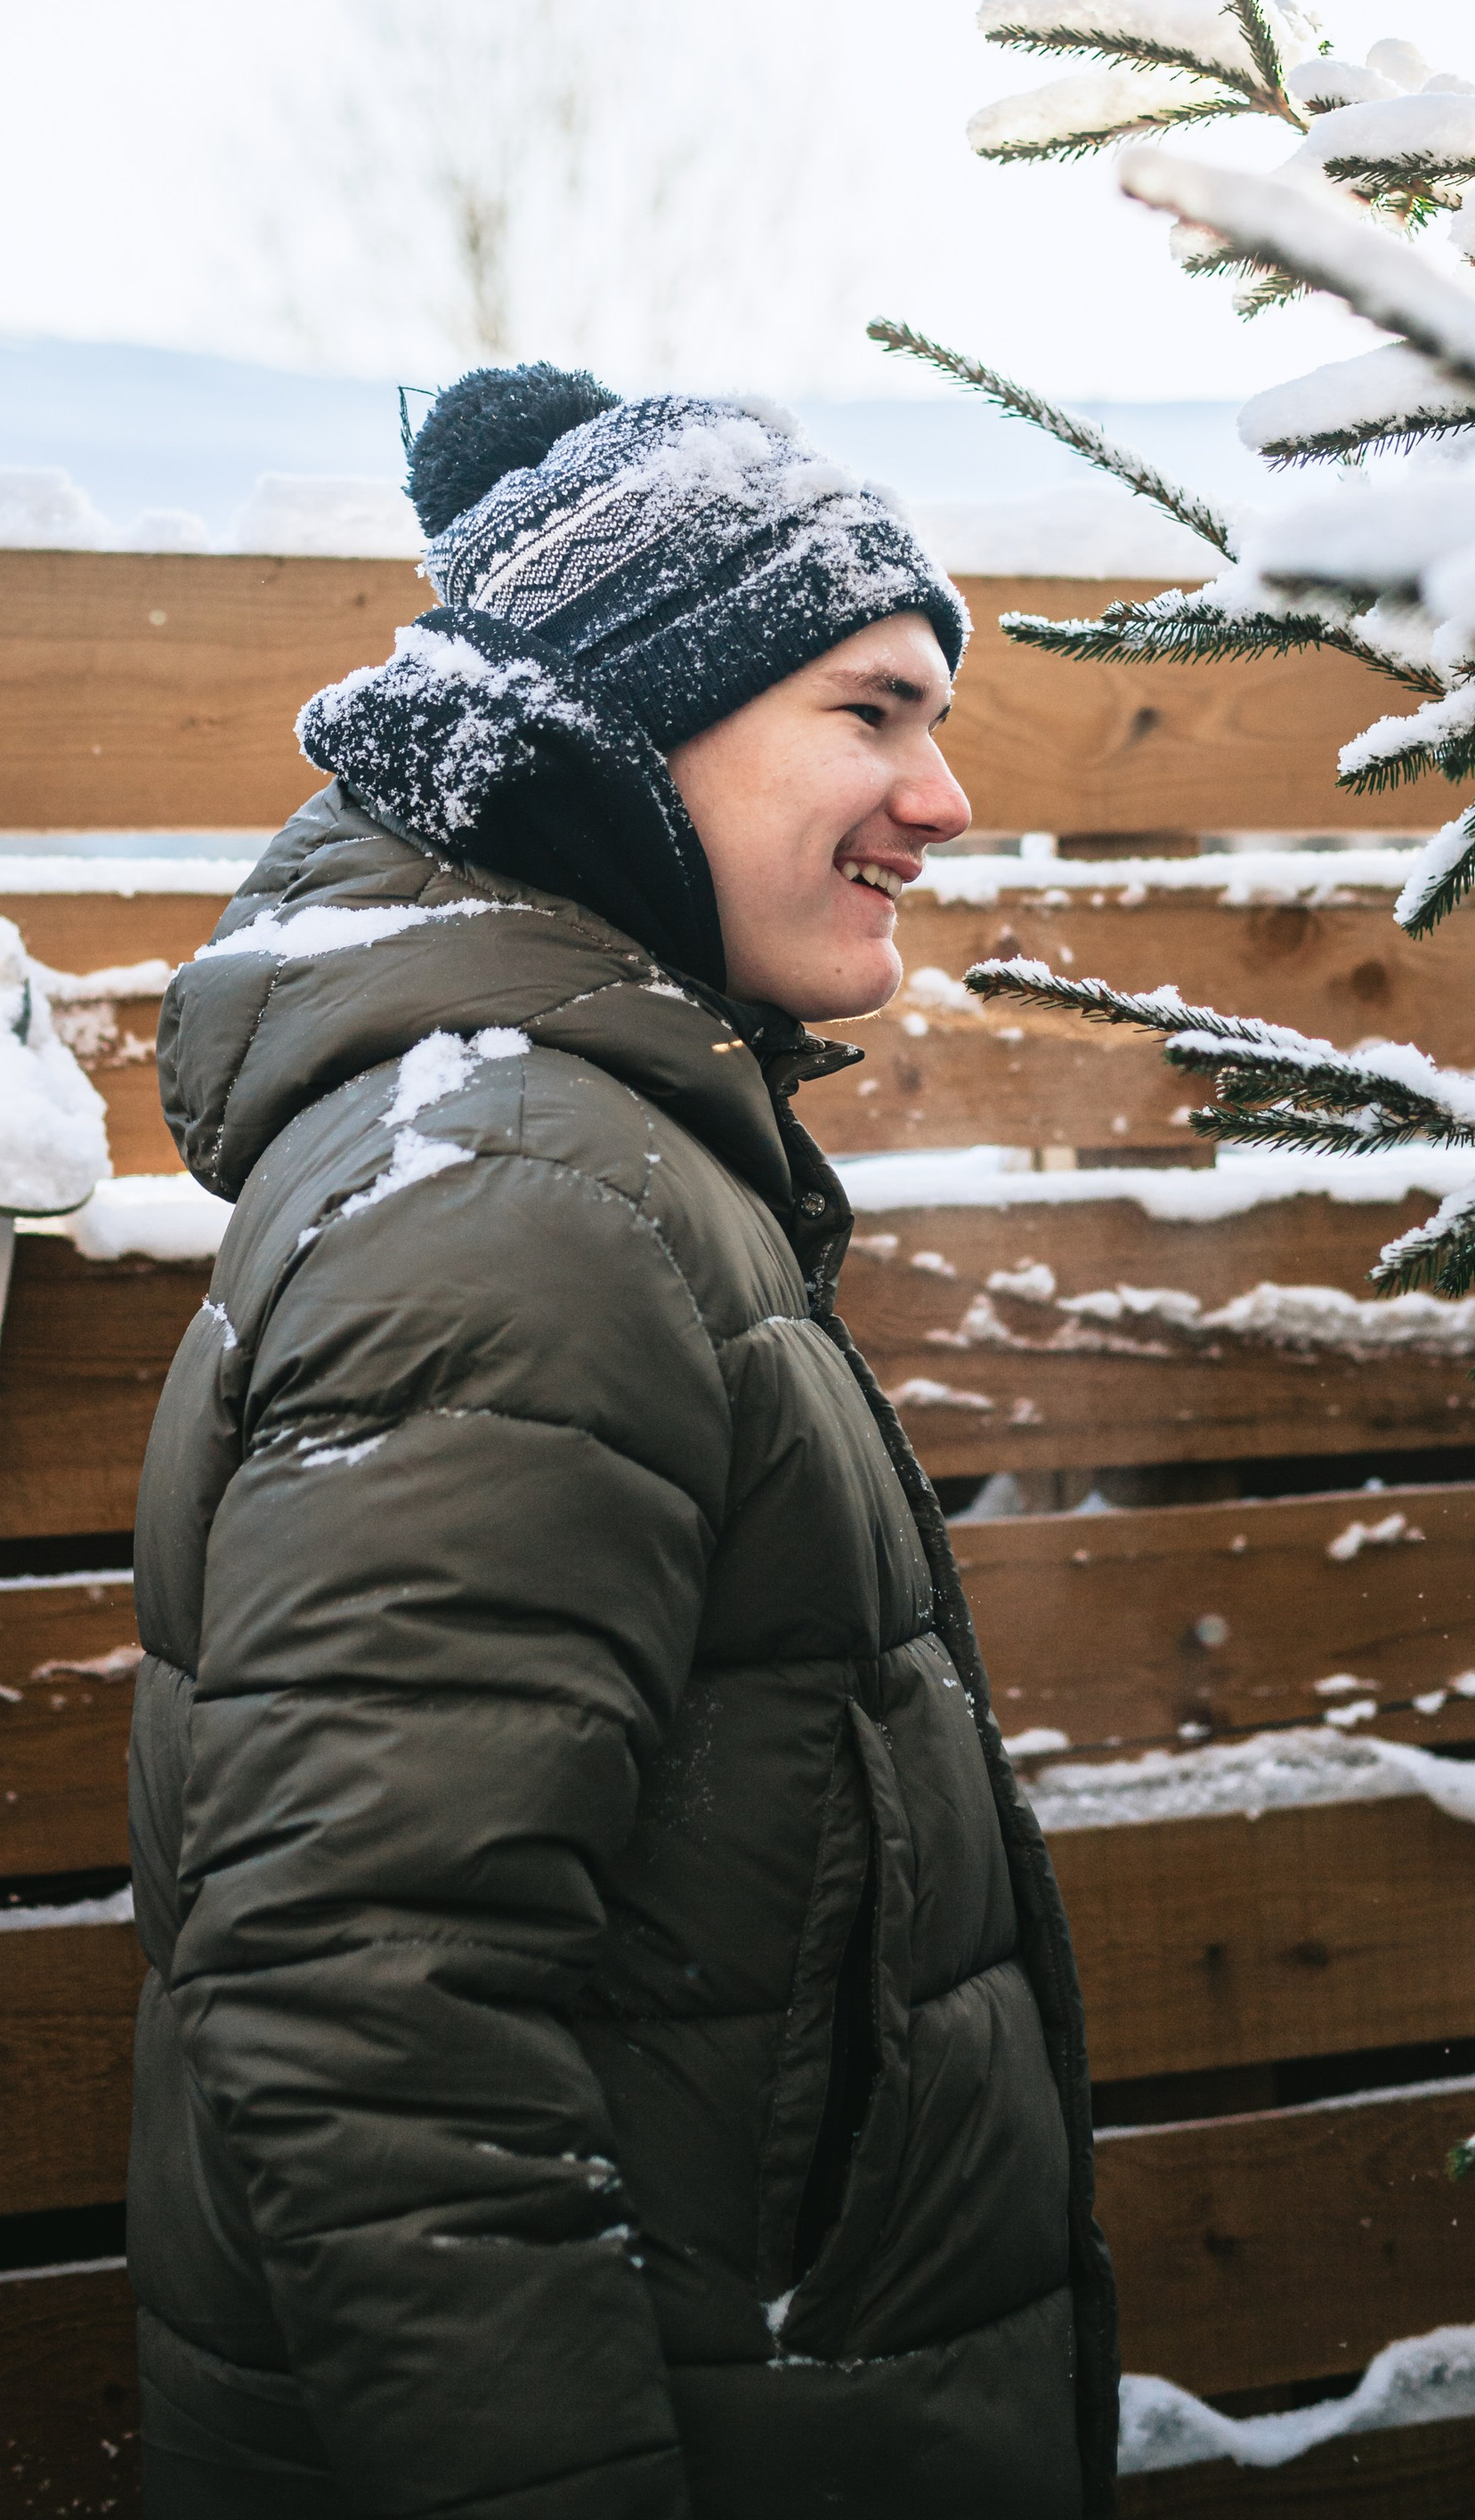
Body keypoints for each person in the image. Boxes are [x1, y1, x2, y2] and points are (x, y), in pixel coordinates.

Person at [126, 365, 1118, 2519]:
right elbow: (369, 2015)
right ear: (624, 738)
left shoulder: (576, 1159)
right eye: (871, 711)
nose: (940, 800)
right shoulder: (518, 1206)